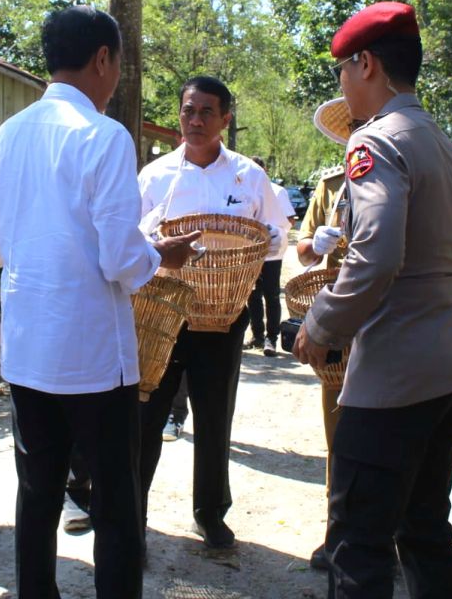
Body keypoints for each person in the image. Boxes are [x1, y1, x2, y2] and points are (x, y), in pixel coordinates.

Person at [0, 5, 199, 598]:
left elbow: (1, 245)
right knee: (116, 497)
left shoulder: (8, 134)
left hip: (29, 346)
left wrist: (136, 247)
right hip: (92, 356)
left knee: (37, 490)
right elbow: (119, 260)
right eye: (119, 65)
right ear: (103, 59)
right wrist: (161, 256)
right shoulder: (103, 135)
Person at [293, 1, 452, 599]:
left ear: (367, 64)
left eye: (342, 72)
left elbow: (375, 256)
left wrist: (322, 325)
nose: (343, 86)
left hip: (395, 371)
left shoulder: (376, 144)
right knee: (424, 525)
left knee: (358, 543)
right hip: (451, 360)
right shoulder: (439, 138)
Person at [137, 75, 291, 551]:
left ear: (225, 119)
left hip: (224, 315)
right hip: (162, 314)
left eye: (207, 112)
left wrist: (259, 239)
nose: (196, 120)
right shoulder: (155, 176)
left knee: (214, 413)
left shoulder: (249, 176)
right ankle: (132, 517)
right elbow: (128, 238)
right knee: (146, 417)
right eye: (188, 110)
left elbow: (278, 238)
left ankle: (211, 514)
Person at [293, 97, 359, 572]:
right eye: (354, 124)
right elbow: (302, 251)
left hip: (388, 321)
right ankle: (338, 534)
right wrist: (314, 245)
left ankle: (388, 536)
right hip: (339, 321)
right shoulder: (332, 185)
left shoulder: (399, 175)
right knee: (339, 433)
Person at [246, 155, 298, 356]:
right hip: (250, 252)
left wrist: (274, 233)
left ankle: (272, 337)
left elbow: (289, 220)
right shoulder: (244, 190)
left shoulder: (277, 191)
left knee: (271, 294)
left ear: (264, 171)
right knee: (252, 294)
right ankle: (257, 335)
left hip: (272, 253)